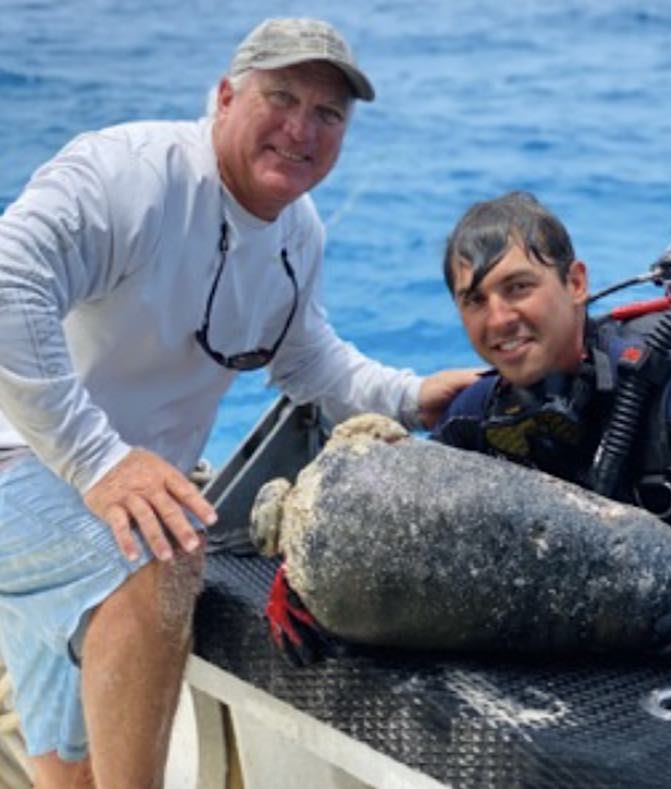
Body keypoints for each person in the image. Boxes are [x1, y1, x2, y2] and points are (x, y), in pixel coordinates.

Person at [0, 18, 476, 788]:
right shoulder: (131, 173)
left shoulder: (297, 229)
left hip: (93, 502)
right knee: (170, 546)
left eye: (328, 115)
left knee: (72, 776)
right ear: (223, 97)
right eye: (281, 97)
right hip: (27, 465)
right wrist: (100, 462)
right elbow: (6, 282)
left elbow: (304, 354)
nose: (301, 129)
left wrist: (411, 395)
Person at [432, 190, 671, 668]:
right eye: (475, 299)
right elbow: (400, 516)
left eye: (519, 287)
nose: (499, 318)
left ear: (576, 283)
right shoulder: (476, 418)